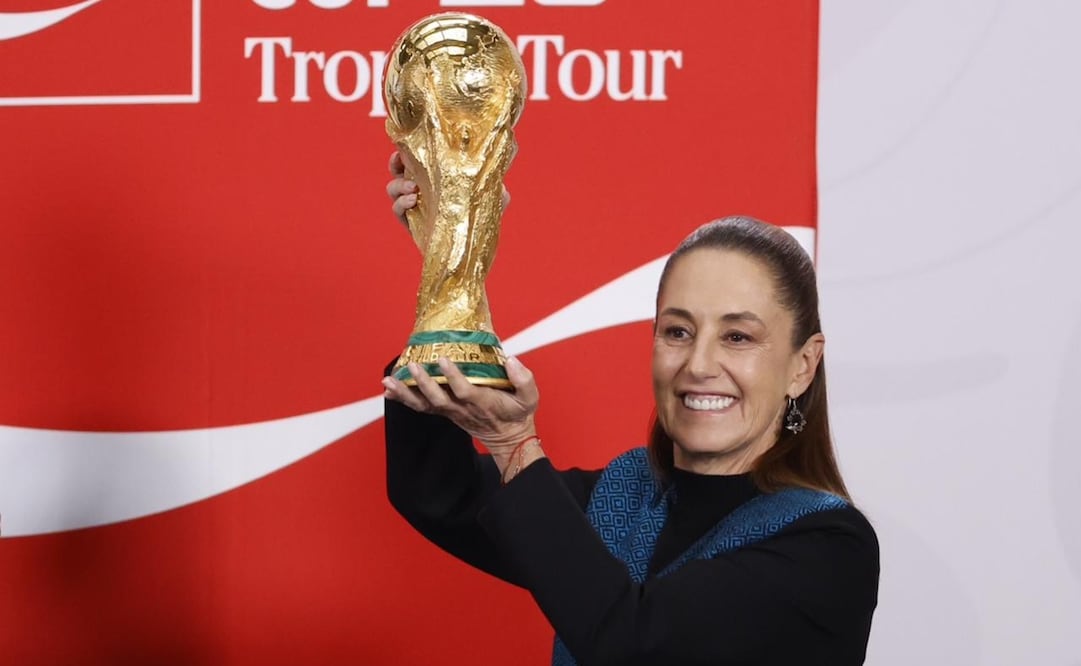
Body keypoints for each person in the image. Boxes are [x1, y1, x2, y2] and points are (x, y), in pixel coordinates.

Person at [381, 154, 879, 665]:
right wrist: (455, 260)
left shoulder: (828, 549)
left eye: (737, 337)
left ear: (802, 365)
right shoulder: (622, 498)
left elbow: (633, 644)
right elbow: (439, 492)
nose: (698, 364)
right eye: (678, 332)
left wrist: (515, 445)